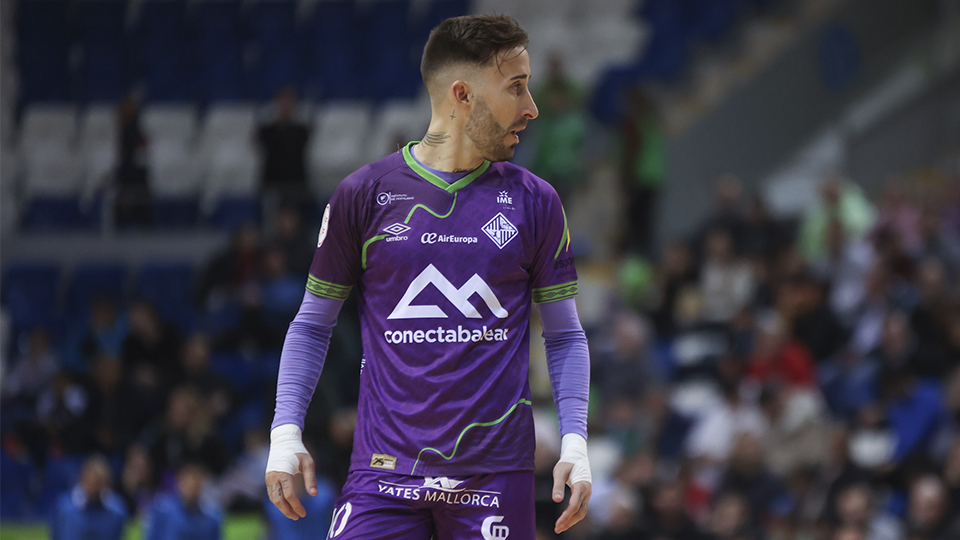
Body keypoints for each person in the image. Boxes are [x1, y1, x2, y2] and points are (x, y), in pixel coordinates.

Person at [265, 14, 592, 539]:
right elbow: (311, 325)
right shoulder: (363, 194)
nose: (532, 108)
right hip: (383, 474)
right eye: (517, 88)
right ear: (462, 94)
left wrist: (574, 441)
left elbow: (566, 334)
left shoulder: (537, 201)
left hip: (493, 477)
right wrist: (285, 432)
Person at [50, 455, 129, 540]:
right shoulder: (64, 508)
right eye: (92, 481)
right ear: (83, 478)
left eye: (99, 482)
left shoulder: (117, 511)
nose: (95, 487)